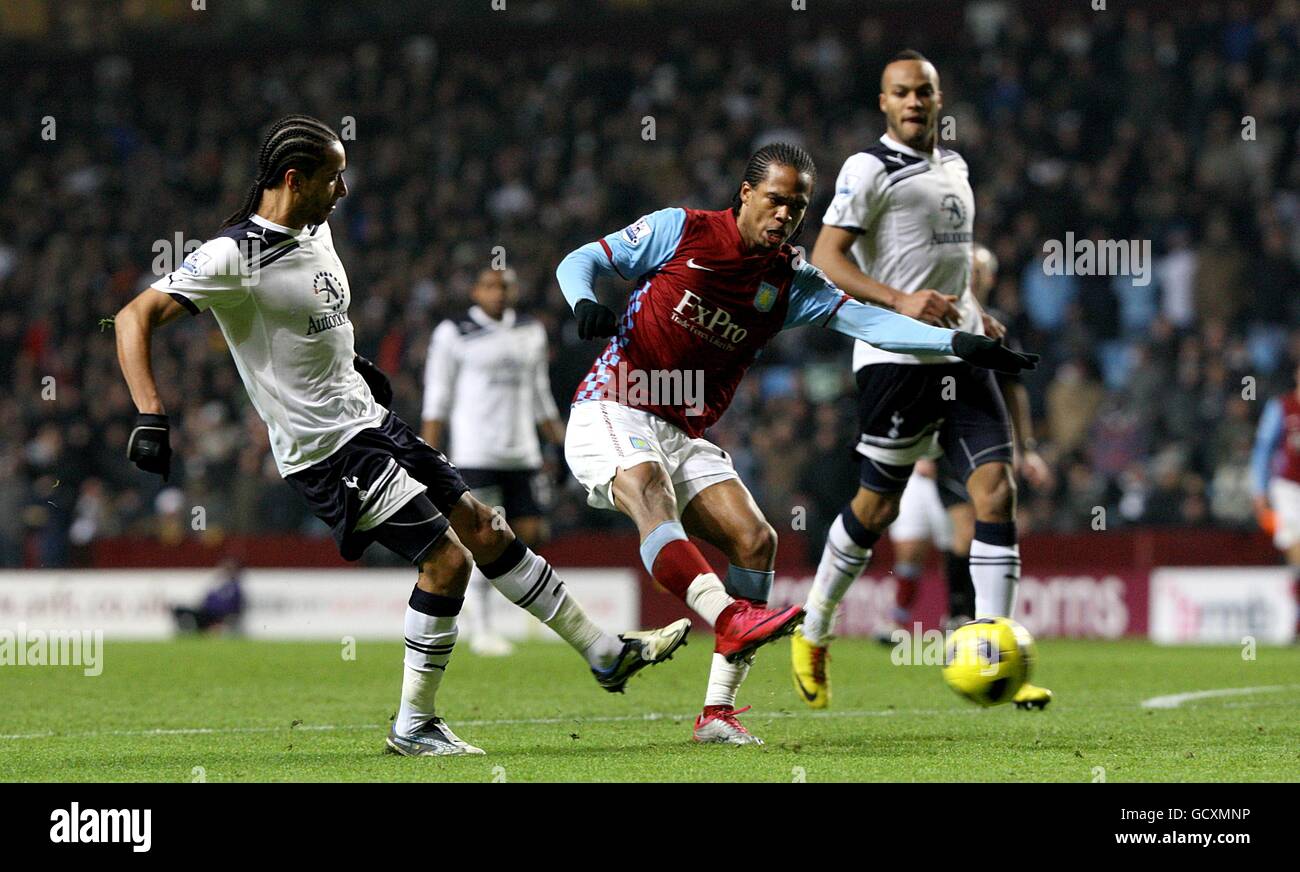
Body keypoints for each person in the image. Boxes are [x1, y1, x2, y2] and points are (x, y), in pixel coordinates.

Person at [115, 115, 690, 758]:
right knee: (446, 560)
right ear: (293, 179)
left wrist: (351, 365)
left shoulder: (318, 229)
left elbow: (312, 319)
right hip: (326, 450)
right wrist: (150, 415)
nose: (344, 189)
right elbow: (134, 317)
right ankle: (413, 725)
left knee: (486, 527)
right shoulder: (234, 254)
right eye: (334, 177)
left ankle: (605, 653)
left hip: (370, 421)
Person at [556, 141, 1036, 744]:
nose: (785, 215)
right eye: (776, 200)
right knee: (649, 489)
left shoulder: (790, 282)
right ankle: (731, 618)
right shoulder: (682, 230)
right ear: (746, 194)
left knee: (756, 541)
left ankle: (717, 714)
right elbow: (577, 261)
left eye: (798, 207)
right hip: (613, 403)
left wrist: (962, 345)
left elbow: (873, 323)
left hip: (681, 431)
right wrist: (584, 303)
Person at [791, 52, 1052, 711]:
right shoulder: (867, 168)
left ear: (940, 98)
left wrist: (971, 308)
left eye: (924, 92)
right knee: (875, 509)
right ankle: (814, 628)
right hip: (896, 361)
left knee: (997, 488)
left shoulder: (955, 167)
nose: (914, 101)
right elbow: (825, 256)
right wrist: (899, 302)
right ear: (884, 102)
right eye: (901, 92)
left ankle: (997, 654)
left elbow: (949, 258)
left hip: (960, 353)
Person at [879, 245, 1055, 660]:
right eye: (968, 268)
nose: (973, 276)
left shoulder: (998, 327)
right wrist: (917, 445)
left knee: (969, 531)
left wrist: (1026, 448)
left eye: (980, 270)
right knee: (954, 531)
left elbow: (1014, 390)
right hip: (940, 443)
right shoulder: (931, 317)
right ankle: (959, 618)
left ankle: (968, 619)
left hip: (982, 438)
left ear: (990, 278)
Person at [422, 267, 566, 656]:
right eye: (489, 286)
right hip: (475, 455)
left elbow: (541, 396)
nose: (498, 293)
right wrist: (428, 459)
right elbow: (438, 399)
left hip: (523, 454)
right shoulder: (454, 333)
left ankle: (505, 613)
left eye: (504, 286)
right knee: (483, 540)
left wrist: (563, 445)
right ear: (475, 290)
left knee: (531, 534)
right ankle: (482, 627)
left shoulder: (530, 331)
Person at [1250, 360, 1300, 635]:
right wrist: (1259, 490)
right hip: (1288, 488)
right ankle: (1296, 618)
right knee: (1296, 548)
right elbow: (1263, 450)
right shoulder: (1281, 407)